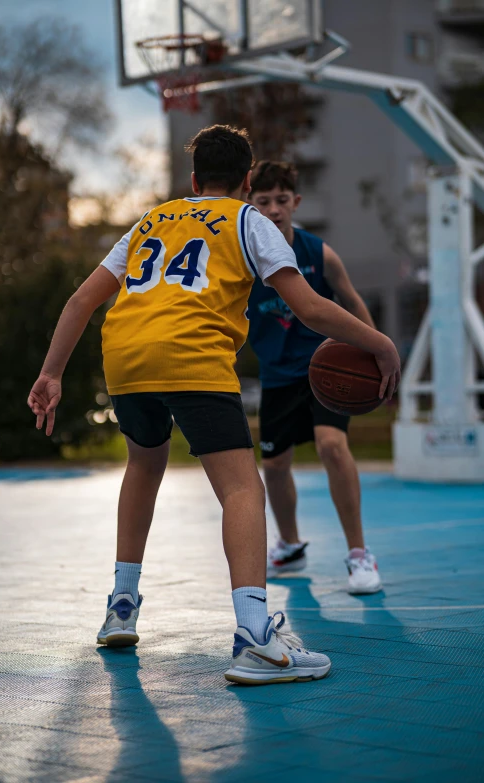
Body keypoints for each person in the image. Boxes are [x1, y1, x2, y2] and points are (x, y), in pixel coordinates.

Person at [28, 126, 400, 684]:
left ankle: (121, 607)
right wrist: (380, 343)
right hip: (190, 355)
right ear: (248, 181)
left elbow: (83, 298)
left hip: (125, 357)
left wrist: (51, 371)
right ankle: (255, 637)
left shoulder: (154, 218)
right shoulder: (248, 220)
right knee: (241, 487)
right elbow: (310, 308)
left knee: (144, 465)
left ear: (194, 179)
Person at [248, 160, 385, 593]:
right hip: (276, 376)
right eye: (263, 200)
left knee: (331, 444)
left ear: (296, 202)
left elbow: (352, 301)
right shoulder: (242, 261)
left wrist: (373, 350)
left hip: (327, 369)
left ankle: (360, 555)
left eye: (281, 200)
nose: (273, 209)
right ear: (248, 204)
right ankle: (289, 545)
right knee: (273, 465)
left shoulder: (317, 253)